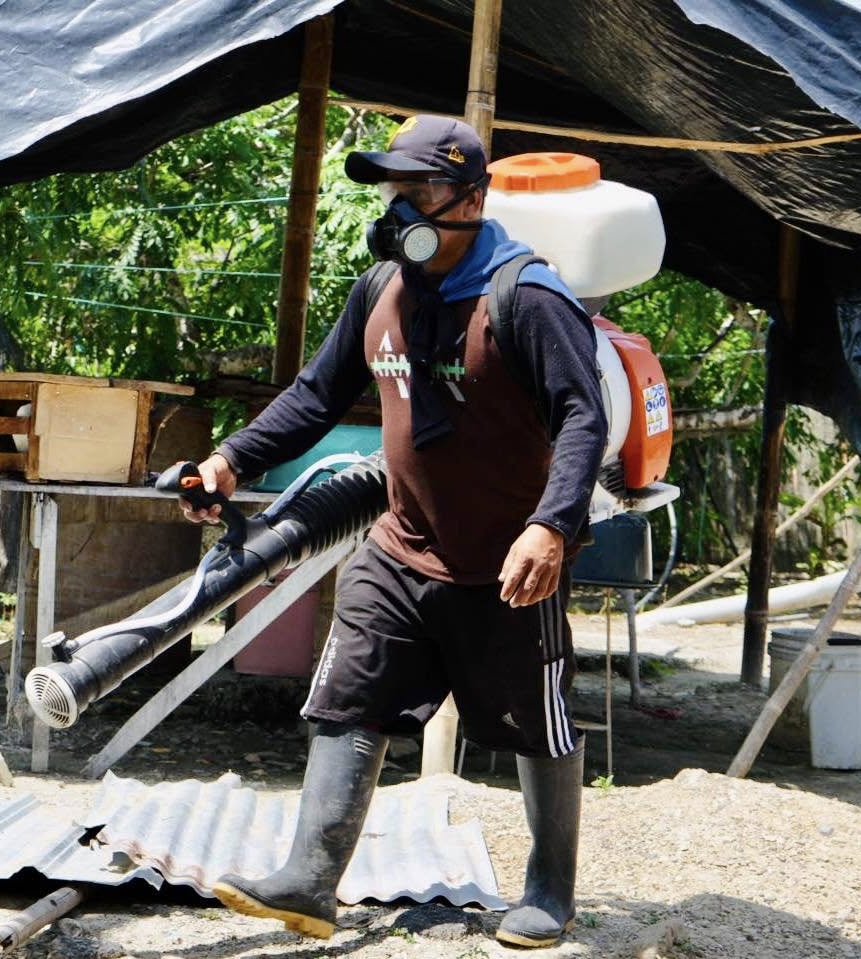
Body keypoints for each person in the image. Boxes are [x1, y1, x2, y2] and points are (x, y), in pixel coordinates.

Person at [180, 115, 607, 948]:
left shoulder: (527, 297)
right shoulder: (381, 289)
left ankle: (551, 889)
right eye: (392, 193)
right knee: (349, 696)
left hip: (507, 563)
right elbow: (316, 393)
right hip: (401, 546)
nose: (398, 210)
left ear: (473, 200)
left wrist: (552, 526)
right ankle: (310, 879)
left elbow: (582, 417)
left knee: (535, 720)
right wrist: (230, 459)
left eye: (419, 192)